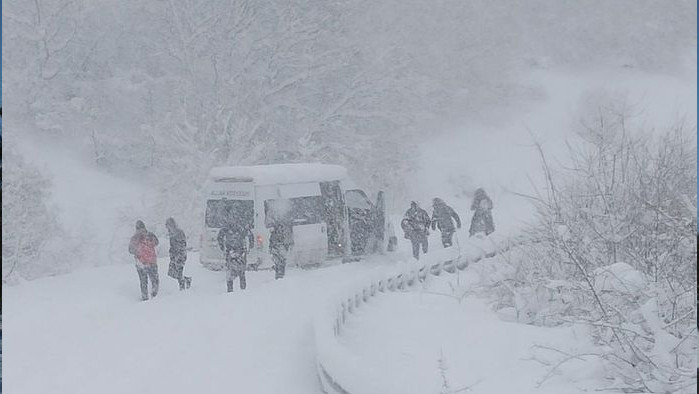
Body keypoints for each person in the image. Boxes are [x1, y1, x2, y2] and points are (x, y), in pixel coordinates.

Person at [217, 209, 254, 292]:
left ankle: (231, 290)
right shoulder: (242, 226)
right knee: (241, 272)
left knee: (231, 272)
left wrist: (222, 247)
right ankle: (242, 289)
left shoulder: (227, 227)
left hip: (232, 251)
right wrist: (250, 246)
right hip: (239, 251)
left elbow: (220, 237)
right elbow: (250, 236)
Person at [128, 220, 160, 301]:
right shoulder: (150, 235)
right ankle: (155, 296)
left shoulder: (135, 238)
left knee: (143, 282)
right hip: (152, 262)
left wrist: (138, 251)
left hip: (141, 263)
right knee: (154, 280)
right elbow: (156, 242)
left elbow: (130, 250)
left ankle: (145, 298)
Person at [166, 217, 191, 290]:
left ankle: (182, 288)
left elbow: (182, 244)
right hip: (174, 255)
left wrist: (179, 254)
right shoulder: (171, 233)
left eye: (168, 225)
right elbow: (172, 246)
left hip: (180, 255)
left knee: (179, 272)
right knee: (172, 273)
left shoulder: (179, 232)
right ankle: (187, 280)